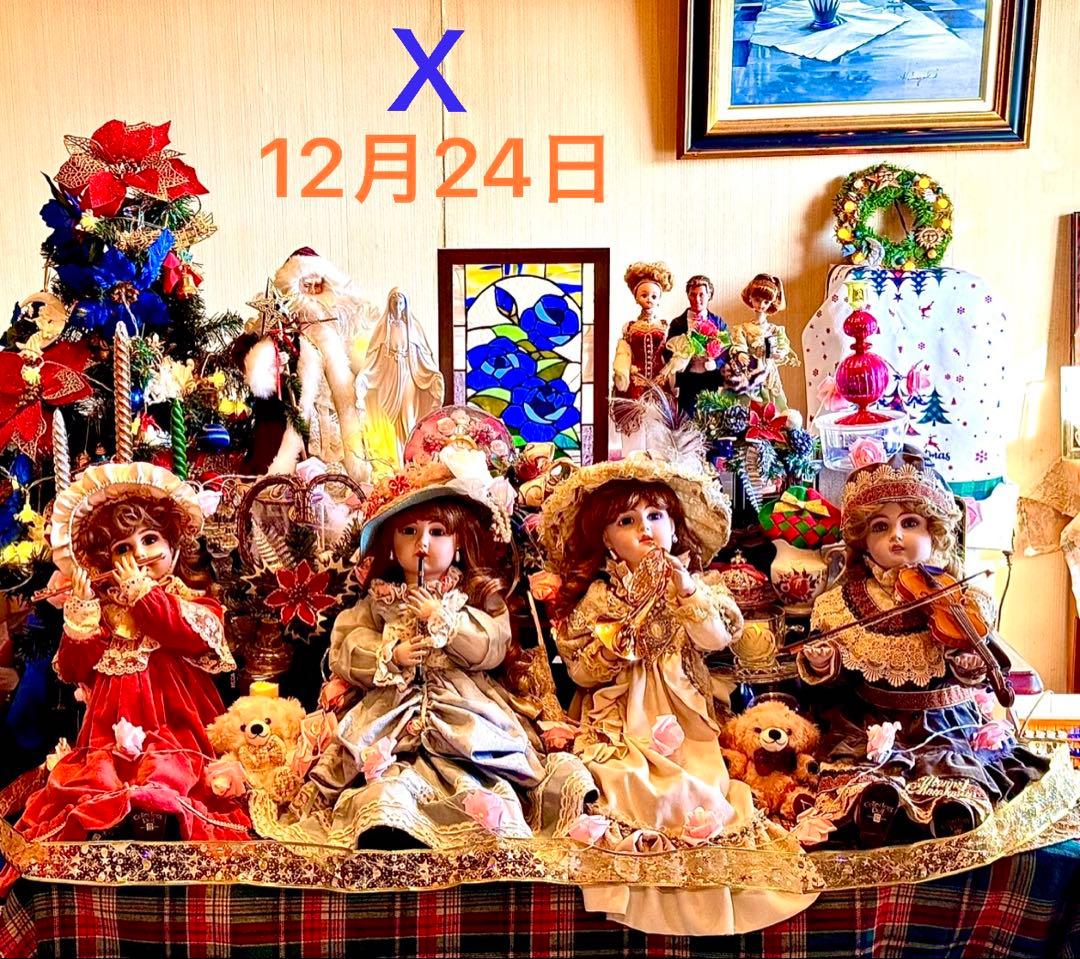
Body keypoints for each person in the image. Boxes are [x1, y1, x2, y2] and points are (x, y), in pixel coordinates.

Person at [537, 453, 817, 935]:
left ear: (674, 525)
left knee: (701, 787)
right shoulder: (600, 597)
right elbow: (581, 671)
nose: (644, 529)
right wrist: (615, 646)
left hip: (684, 714)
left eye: (655, 516)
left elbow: (717, 637)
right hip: (619, 715)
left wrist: (686, 591)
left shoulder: (698, 584)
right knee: (624, 779)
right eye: (626, 521)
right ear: (605, 538)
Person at [262, 457, 592, 849]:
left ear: (459, 542)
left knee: (480, 772)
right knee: (384, 777)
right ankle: (390, 820)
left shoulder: (474, 597)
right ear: (391, 542)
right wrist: (390, 654)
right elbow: (346, 645)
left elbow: (492, 643)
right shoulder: (379, 600)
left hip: (463, 705)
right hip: (390, 707)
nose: (422, 545)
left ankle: (481, 816)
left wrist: (445, 621)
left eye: (437, 532)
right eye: (409, 532)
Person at [0, 463, 250, 893]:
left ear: (173, 545)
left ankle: (167, 832)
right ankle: (114, 834)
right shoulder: (105, 612)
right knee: (99, 783)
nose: (139, 555)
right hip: (108, 730)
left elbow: (187, 634)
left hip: (177, 726)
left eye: (150, 540)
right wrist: (83, 611)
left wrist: (142, 595)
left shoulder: (192, 602)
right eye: (123, 548)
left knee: (174, 777)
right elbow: (73, 668)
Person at [798, 458, 1048, 845]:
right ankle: (877, 807)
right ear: (863, 540)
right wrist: (824, 660)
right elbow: (839, 679)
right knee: (862, 778)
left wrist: (967, 663)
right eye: (880, 527)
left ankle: (951, 812)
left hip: (944, 720)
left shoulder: (961, 597)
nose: (896, 536)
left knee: (952, 771)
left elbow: (982, 663)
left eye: (910, 523)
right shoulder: (841, 602)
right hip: (872, 718)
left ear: (935, 531)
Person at [354, 289, 445, 470]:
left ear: (405, 305)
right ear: (389, 304)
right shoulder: (383, 329)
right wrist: (365, 375)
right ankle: (392, 462)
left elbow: (423, 355)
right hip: (388, 377)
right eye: (394, 302)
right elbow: (373, 356)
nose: (397, 306)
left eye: (400, 302)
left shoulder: (413, 327)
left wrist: (432, 374)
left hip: (408, 376)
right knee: (387, 420)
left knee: (408, 415)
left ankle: (410, 460)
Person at [611, 262, 675, 454]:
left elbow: (670, 355)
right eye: (644, 295)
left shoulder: (665, 326)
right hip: (635, 382)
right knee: (634, 423)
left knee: (658, 426)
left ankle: (658, 462)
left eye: (654, 296)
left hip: (659, 382)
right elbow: (624, 353)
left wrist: (667, 372)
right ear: (636, 297)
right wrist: (625, 371)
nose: (649, 300)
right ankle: (633, 462)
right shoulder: (630, 327)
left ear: (659, 299)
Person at [727, 273, 799, 408]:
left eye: (766, 302)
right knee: (749, 405)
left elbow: (783, 346)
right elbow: (739, 345)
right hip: (750, 372)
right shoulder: (742, 329)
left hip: (769, 373)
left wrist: (780, 353)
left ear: (772, 303)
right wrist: (741, 353)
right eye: (757, 300)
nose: (761, 305)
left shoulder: (775, 330)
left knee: (772, 404)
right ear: (750, 298)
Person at [664, 275, 728, 418]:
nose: (697, 299)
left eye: (701, 295)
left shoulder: (718, 322)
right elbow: (668, 350)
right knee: (686, 417)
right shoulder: (678, 323)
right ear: (687, 295)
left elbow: (727, 350)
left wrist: (716, 363)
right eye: (693, 294)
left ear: (709, 295)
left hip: (709, 378)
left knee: (710, 416)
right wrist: (679, 361)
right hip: (687, 379)